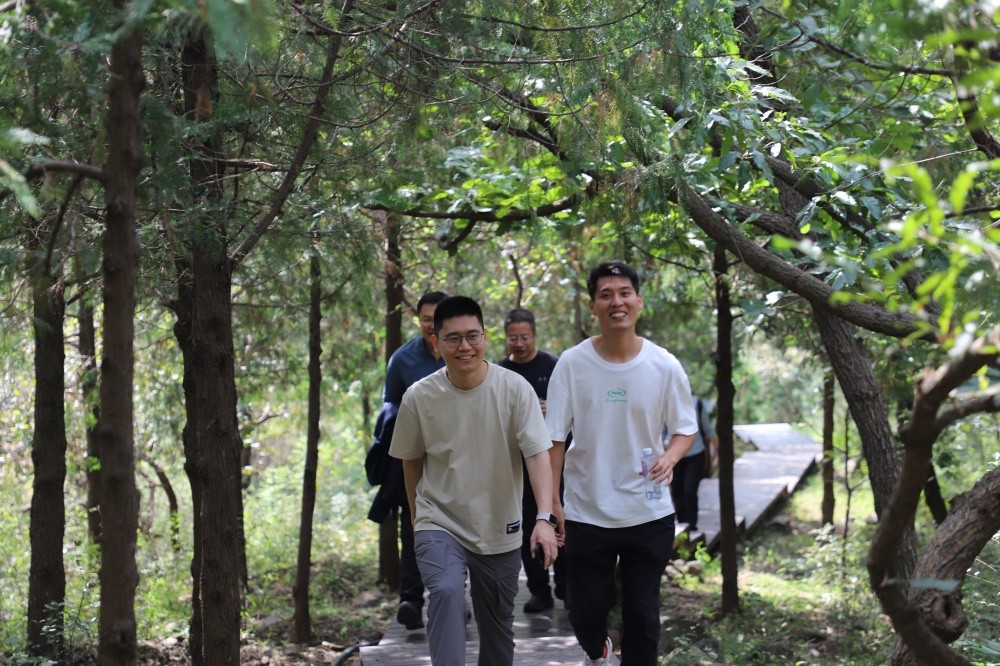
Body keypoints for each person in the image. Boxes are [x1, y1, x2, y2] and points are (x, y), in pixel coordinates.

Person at [389, 296, 560, 666]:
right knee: (447, 591)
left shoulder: (515, 389)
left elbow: (537, 455)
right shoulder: (419, 397)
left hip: (498, 523)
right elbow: (411, 461)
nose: (464, 346)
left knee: (497, 629)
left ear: (485, 337)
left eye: (472, 336)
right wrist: (419, 519)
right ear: (436, 342)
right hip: (439, 519)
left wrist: (544, 518)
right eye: (453, 338)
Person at [546, 260, 698, 666]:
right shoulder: (572, 364)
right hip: (586, 510)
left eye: (624, 293)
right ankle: (599, 650)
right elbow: (554, 439)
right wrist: (552, 503)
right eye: (606, 295)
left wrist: (670, 456)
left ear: (639, 302)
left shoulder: (664, 364)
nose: (617, 302)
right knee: (585, 612)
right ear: (593, 306)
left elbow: (685, 429)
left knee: (643, 616)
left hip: (648, 511)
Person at [366, 291, 448, 631]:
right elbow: (389, 410)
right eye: (426, 318)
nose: (432, 325)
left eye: (438, 319)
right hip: (414, 460)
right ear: (419, 320)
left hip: (455, 460)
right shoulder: (402, 360)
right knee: (413, 528)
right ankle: (411, 600)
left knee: (457, 530)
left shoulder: (462, 352)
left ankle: (451, 598)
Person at [498, 308, 568, 613]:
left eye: (524, 337)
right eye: (513, 337)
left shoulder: (554, 366)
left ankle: (566, 584)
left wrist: (550, 409)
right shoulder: (499, 372)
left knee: (560, 519)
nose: (519, 343)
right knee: (528, 524)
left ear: (535, 335)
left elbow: (571, 410)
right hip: (518, 464)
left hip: (555, 461)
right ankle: (540, 590)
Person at [667, 396, 719, 533]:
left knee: (690, 491)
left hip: (696, 454)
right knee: (676, 491)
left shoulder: (697, 404)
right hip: (674, 456)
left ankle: (692, 525)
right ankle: (682, 525)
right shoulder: (666, 402)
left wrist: (715, 454)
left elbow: (708, 430)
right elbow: (661, 433)